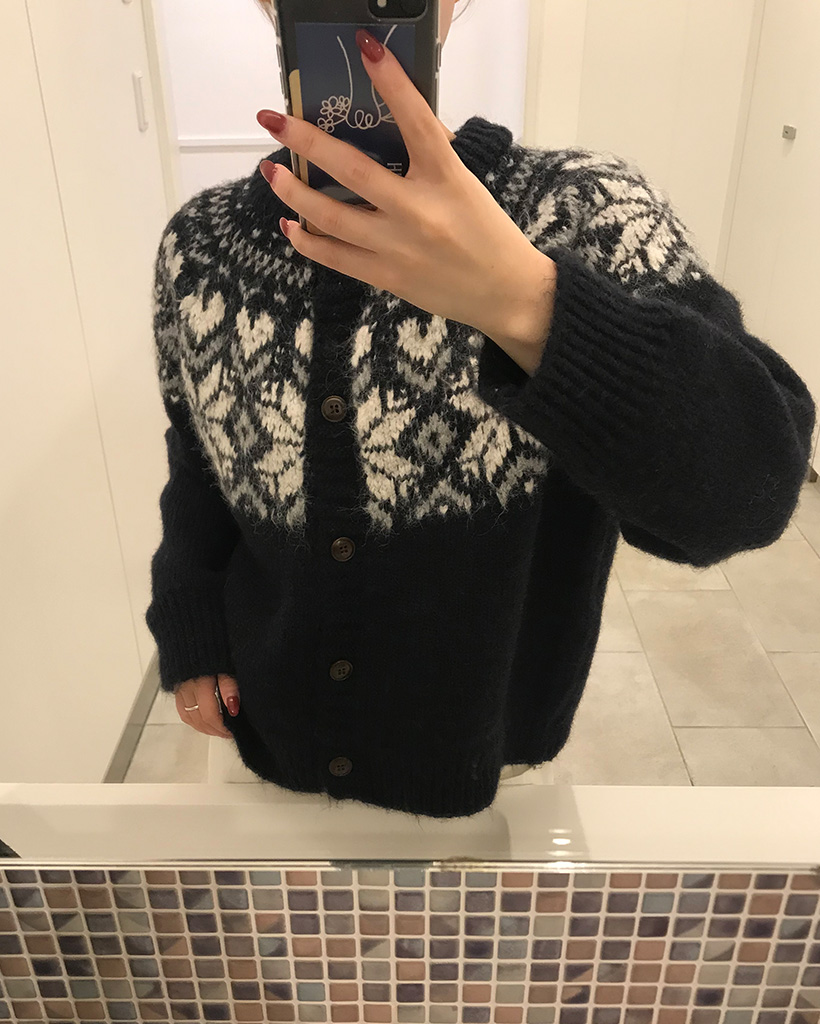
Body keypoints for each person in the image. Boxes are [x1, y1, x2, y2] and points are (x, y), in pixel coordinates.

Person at [145, 0, 816, 818]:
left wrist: (527, 301)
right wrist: (189, 622)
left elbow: (748, 492)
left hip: (495, 772)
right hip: (261, 745)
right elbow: (198, 462)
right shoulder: (198, 244)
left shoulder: (584, 210)